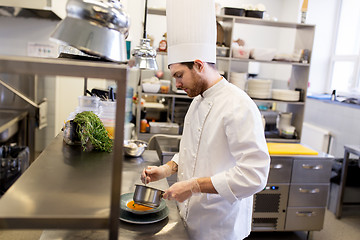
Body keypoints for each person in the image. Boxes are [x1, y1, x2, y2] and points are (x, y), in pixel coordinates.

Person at [141, 1, 270, 239]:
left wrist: (193, 186)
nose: (177, 84)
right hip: (188, 217)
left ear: (199, 65)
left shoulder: (238, 105)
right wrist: (165, 169)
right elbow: (193, 152)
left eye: (180, 75)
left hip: (218, 226)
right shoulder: (197, 101)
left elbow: (255, 175)